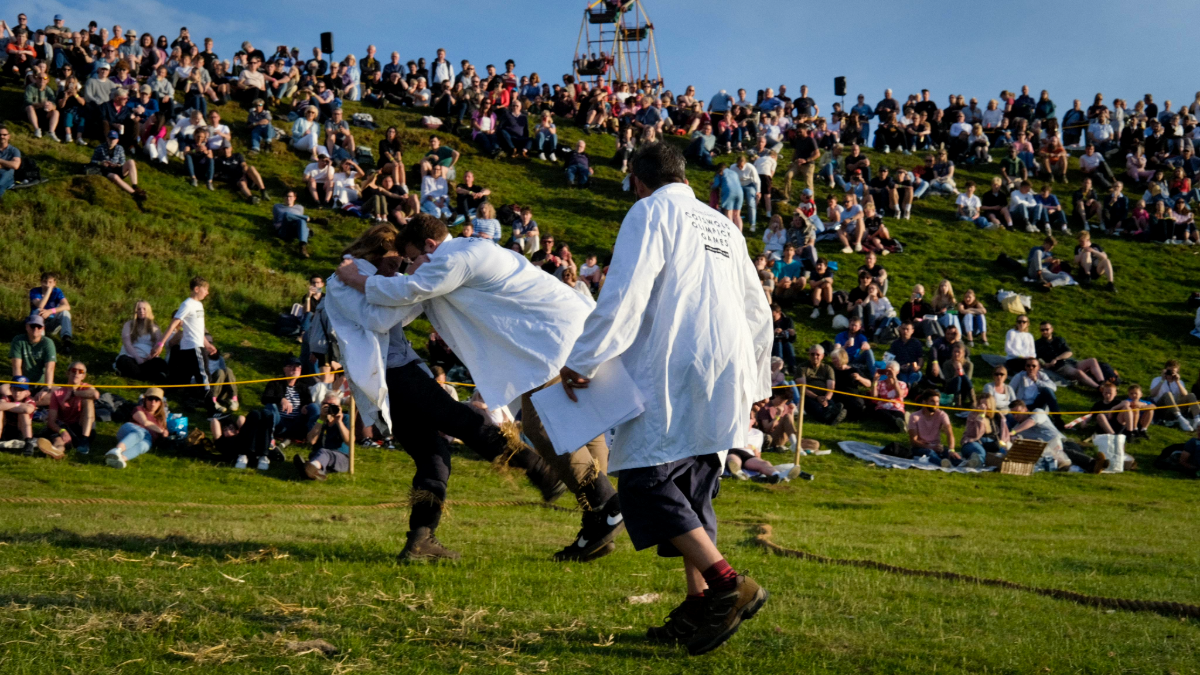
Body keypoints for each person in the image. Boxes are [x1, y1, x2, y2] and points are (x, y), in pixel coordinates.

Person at [556, 142, 771, 655]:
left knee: (644, 480)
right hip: (727, 364)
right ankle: (699, 604)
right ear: (685, 176)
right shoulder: (724, 225)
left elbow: (625, 292)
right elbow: (757, 308)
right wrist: (755, 380)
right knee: (693, 485)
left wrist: (583, 359)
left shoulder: (650, 211)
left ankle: (727, 584)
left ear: (638, 180)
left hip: (673, 362)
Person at [336, 216, 626, 565]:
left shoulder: (452, 260)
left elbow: (405, 297)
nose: (405, 269)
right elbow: (395, 307)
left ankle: (601, 503)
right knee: (436, 455)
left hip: (548, 343)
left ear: (429, 246)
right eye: (397, 263)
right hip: (550, 336)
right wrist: (393, 282)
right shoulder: (457, 255)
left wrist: (367, 281)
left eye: (408, 260)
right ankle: (594, 517)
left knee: (535, 427)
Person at [152, 277, 213, 407]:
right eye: (205, 289)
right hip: (193, 346)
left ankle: (183, 400)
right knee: (204, 375)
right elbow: (174, 324)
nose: (207, 292)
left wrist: (207, 344)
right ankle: (212, 407)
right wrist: (160, 344)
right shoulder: (187, 304)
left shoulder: (199, 305)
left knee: (186, 376)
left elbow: (198, 329)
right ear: (196, 289)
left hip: (196, 345)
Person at [42, 361, 98, 458]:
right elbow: (51, 421)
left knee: (88, 400)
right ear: (67, 373)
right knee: (59, 440)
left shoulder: (86, 388)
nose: (76, 373)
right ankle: (57, 452)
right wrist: (62, 431)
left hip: (81, 427)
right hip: (64, 426)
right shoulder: (57, 393)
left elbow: (95, 395)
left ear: (83, 376)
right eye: (73, 370)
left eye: (80, 371)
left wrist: (73, 394)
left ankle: (84, 439)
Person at [104, 387, 169, 468]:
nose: (153, 402)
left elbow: (160, 440)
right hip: (130, 430)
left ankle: (119, 459)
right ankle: (117, 450)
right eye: (150, 399)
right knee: (140, 433)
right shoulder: (139, 409)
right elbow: (144, 422)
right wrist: (161, 431)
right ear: (145, 400)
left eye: (157, 400)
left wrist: (165, 435)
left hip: (146, 439)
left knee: (144, 445)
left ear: (160, 403)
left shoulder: (161, 421)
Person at [298, 394, 351, 480]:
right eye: (325, 404)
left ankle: (309, 467)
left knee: (324, 453)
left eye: (332, 405)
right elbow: (312, 441)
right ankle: (314, 471)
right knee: (321, 453)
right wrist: (321, 419)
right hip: (318, 455)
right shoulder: (315, 419)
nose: (328, 408)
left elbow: (349, 441)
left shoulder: (346, 419)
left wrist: (339, 422)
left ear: (339, 407)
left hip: (341, 458)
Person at [114, 300, 168, 382]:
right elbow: (127, 343)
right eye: (139, 309)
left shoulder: (155, 327)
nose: (141, 311)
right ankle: (148, 376)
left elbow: (158, 345)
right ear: (135, 311)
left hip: (148, 358)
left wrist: (150, 356)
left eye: (144, 309)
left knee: (160, 363)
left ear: (148, 310)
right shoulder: (129, 325)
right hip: (131, 356)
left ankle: (139, 375)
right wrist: (138, 359)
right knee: (123, 361)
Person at [90, 130, 147, 205]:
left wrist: (117, 165)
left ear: (117, 140)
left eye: (114, 139)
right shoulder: (100, 148)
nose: (112, 141)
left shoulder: (120, 148)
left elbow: (123, 161)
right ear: (107, 139)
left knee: (131, 161)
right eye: (110, 138)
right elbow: (92, 161)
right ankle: (134, 193)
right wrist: (101, 163)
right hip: (105, 171)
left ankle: (135, 186)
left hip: (117, 168)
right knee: (115, 177)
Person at [907, 390, 960, 468]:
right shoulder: (914, 416)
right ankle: (942, 463)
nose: (936, 404)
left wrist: (951, 450)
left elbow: (950, 433)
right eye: (932, 401)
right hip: (920, 447)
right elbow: (913, 441)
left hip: (937, 446)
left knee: (950, 454)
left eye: (937, 402)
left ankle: (963, 464)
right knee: (930, 452)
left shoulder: (942, 414)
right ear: (924, 402)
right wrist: (929, 447)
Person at [29, 272, 73, 353]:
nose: (47, 284)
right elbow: (40, 306)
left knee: (65, 313)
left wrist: (50, 311)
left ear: (54, 283)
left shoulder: (57, 291)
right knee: (39, 311)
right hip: (37, 324)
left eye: (50, 282)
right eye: (45, 282)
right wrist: (48, 292)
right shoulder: (35, 291)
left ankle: (66, 341)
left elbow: (67, 306)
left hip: (52, 322)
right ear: (41, 282)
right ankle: (41, 342)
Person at [1149, 360, 1199, 432]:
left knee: (1191, 395)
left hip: (1175, 409)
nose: (1170, 374)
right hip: (1162, 410)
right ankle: (1181, 419)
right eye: (1169, 371)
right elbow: (1152, 394)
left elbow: (1185, 395)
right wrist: (1162, 380)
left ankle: (1197, 419)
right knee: (1168, 394)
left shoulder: (1179, 382)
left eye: (1173, 372)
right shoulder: (1157, 380)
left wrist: (1177, 382)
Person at [961, 394, 1009, 467]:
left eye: (986, 404)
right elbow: (974, 434)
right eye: (981, 404)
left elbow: (1004, 434)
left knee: (1005, 452)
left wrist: (1003, 444)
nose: (983, 407)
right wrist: (981, 416)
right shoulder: (973, 415)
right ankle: (975, 462)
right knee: (980, 452)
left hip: (993, 443)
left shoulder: (998, 415)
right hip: (974, 441)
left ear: (991, 405)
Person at [1010, 359, 1062, 424]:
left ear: (1038, 367)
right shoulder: (1019, 376)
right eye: (1028, 366)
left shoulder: (1042, 376)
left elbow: (1054, 387)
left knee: (1047, 390)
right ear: (1025, 367)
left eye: (1033, 366)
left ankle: (1057, 418)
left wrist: (1037, 381)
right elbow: (1010, 390)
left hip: (1037, 403)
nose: (1031, 368)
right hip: (1024, 406)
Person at [273, 189, 312, 258]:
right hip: (284, 229)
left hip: (295, 229)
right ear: (283, 197)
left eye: (290, 196)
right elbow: (275, 220)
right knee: (286, 215)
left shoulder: (300, 208)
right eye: (286, 196)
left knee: (301, 220)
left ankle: (302, 246)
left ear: (294, 198)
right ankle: (311, 219)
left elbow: (299, 220)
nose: (288, 198)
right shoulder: (277, 206)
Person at [872, 362, 908, 430]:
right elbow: (874, 397)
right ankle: (899, 424)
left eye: (891, 370)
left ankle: (900, 424)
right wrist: (875, 381)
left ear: (897, 372)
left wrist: (894, 379)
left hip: (897, 407)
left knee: (899, 415)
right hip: (882, 408)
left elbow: (899, 395)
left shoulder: (902, 384)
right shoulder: (880, 383)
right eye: (887, 369)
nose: (888, 371)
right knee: (884, 414)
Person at [888, 322, 924, 386]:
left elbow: (920, 358)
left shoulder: (916, 343)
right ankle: (909, 386)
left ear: (912, 331)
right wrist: (899, 367)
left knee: (916, 375)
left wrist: (918, 367)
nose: (905, 331)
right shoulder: (895, 343)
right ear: (900, 329)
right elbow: (890, 359)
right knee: (904, 379)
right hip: (900, 369)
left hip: (913, 368)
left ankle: (908, 385)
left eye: (907, 329)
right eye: (903, 329)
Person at [770, 304, 796, 373]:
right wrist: (773, 333)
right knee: (778, 344)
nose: (772, 318)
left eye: (773, 316)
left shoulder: (788, 321)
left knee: (788, 344)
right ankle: (780, 366)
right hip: (774, 344)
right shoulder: (768, 322)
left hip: (785, 343)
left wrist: (792, 334)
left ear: (779, 313)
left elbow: (792, 340)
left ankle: (792, 366)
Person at [0, 126, 22, 200]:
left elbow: (15, 165)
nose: (2, 136)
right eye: (0, 135)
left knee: (2, 180)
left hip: (7, 174)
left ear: (8, 136)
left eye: (4, 135)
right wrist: (8, 164)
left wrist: (0, 161)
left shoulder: (14, 150)